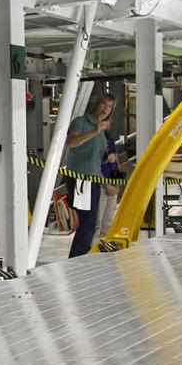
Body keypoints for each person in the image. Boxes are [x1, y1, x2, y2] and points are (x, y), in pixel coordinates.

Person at [64, 93, 115, 258]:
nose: (105, 109)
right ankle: (76, 258)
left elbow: (94, 158)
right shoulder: (81, 122)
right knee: (88, 221)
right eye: (103, 103)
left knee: (92, 222)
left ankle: (81, 255)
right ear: (96, 103)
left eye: (109, 107)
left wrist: (108, 160)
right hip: (80, 178)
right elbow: (71, 143)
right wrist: (95, 130)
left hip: (93, 179)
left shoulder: (101, 129)